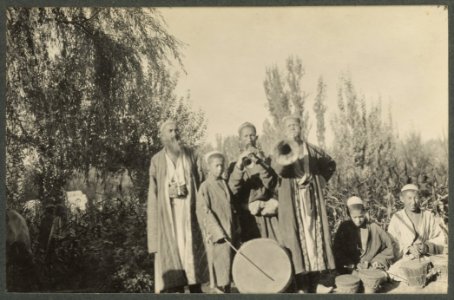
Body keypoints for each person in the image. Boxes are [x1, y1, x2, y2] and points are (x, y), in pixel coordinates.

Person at [273, 115, 336, 293]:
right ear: (284, 130)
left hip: (312, 199)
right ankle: (301, 286)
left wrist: (321, 179)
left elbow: (330, 163)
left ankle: (316, 282)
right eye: (289, 126)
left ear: (301, 128)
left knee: (314, 239)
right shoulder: (281, 149)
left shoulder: (313, 150)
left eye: (296, 125)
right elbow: (277, 170)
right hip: (293, 204)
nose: (293, 128)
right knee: (297, 242)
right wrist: (288, 152)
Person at [147, 120, 208, 293]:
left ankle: (196, 290)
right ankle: (178, 290)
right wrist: (168, 191)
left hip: (190, 215)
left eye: (176, 130)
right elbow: (153, 195)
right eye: (170, 131)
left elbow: (202, 184)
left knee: (192, 256)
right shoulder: (157, 161)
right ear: (162, 136)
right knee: (174, 255)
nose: (174, 134)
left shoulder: (191, 155)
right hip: (169, 217)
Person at [228, 122, 280, 242]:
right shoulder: (233, 165)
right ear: (239, 140)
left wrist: (261, 163)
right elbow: (232, 191)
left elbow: (273, 186)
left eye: (252, 136)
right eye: (245, 136)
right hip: (247, 218)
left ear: (256, 138)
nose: (249, 139)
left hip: (268, 216)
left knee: (273, 249)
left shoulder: (267, 160)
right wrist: (239, 167)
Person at [197, 151, 239, 293]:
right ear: (209, 167)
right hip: (218, 234)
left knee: (228, 263)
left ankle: (226, 288)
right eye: (216, 166)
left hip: (229, 229)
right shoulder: (205, 186)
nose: (220, 169)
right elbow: (204, 210)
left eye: (222, 166)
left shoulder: (223, 183)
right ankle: (219, 287)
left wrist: (236, 226)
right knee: (220, 262)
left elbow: (230, 206)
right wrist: (217, 231)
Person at [387, 184, 445, 281]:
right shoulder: (397, 218)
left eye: (416, 198)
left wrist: (426, 246)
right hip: (405, 259)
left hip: (428, 257)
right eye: (409, 198)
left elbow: (440, 238)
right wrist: (407, 249)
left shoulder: (428, 216)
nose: (413, 202)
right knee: (394, 273)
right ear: (402, 199)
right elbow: (391, 242)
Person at [333, 196, 395, 274]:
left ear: (365, 213)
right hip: (351, 268)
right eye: (354, 217)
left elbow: (389, 247)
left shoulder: (374, 228)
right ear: (349, 215)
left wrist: (378, 260)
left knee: (374, 279)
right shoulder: (344, 228)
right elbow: (337, 249)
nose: (358, 220)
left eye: (361, 217)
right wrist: (348, 262)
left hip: (372, 267)